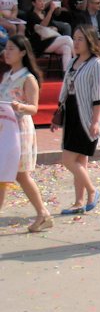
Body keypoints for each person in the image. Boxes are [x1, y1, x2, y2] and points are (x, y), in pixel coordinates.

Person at [52, 25, 100, 215]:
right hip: (71, 113)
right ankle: (79, 201)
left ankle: (92, 191)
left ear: (89, 41)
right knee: (79, 161)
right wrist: (57, 112)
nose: (75, 43)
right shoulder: (73, 62)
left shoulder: (97, 64)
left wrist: (94, 121)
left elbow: (98, 94)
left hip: (86, 115)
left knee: (68, 160)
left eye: (80, 39)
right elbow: (65, 88)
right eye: (74, 38)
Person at [0, 35, 53, 232]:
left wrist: (19, 105)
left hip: (19, 129)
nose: (7, 52)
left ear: (23, 52)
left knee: (20, 174)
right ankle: (43, 213)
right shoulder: (7, 76)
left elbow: (34, 108)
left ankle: (43, 213)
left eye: (12, 49)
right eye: (6, 48)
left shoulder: (28, 78)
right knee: (2, 172)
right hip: (4, 129)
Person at [25, 0, 74, 71]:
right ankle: (79, 60)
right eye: (39, 1)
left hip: (51, 40)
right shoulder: (31, 15)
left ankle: (67, 73)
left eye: (43, 1)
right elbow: (42, 25)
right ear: (34, 3)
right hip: (40, 43)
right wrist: (51, 11)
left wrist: (53, 28)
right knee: (67, 38)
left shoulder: (45, 14)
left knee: (66, 48)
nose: (42, 3)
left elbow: (55, 27)